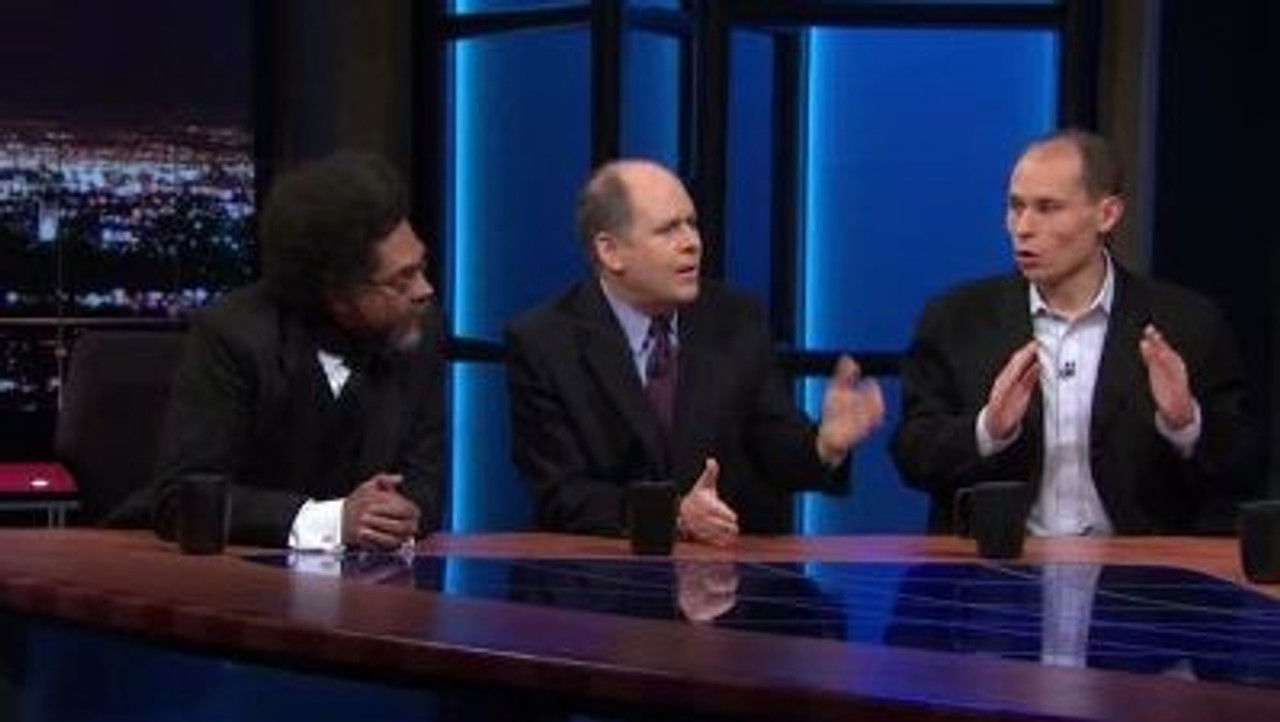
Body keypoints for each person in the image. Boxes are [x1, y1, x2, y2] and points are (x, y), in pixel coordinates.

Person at [891, 130, 1257, 535]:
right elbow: (912, 455)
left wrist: (1186, 424)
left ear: (1107, 214)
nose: (1023, 227)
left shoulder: (1187, 324)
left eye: (1048, 208)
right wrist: (987, 431)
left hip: (1138, 565)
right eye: (1016, 207)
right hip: (999, 563)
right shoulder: (957, 319)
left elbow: (1244, 467)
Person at [505, 159, 884, 545]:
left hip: (723, 571)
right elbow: (561, 493)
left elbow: (773, 448)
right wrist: (672, 515)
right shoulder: (545, 342)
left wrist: (824, 445)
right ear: (610, 251)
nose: (692, 243)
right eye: (668, 229)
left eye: (692, 224)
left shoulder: (736, 321)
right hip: (597, 571)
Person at [153, 152, 445, 549]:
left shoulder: (419, 330)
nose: (424, 290)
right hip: (241, 574)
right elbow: (182, 499)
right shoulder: (234, 335)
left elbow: (425, 483)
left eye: (421, 267)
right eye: (403, 278)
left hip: (376, 578)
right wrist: (333, 521)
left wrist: (403, 511)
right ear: (340, 295)